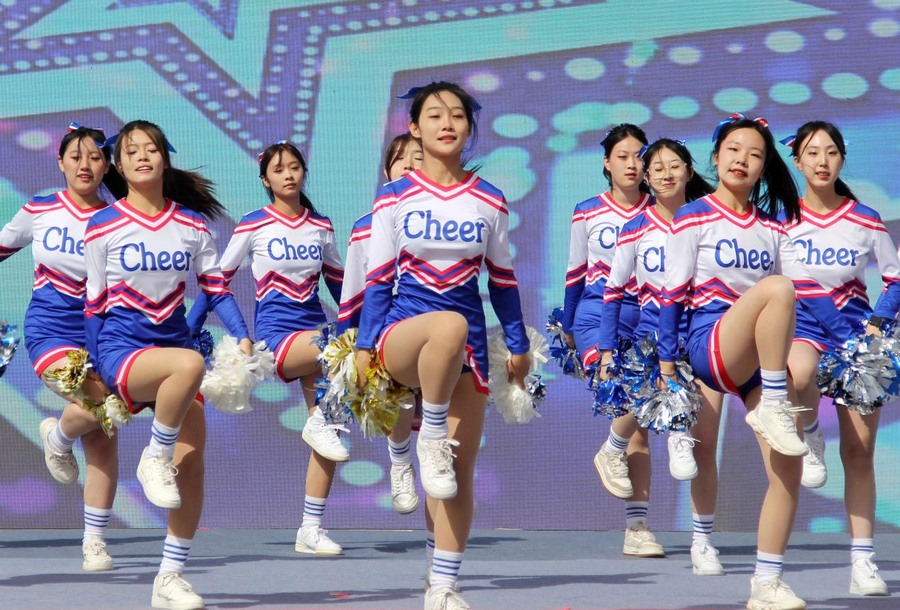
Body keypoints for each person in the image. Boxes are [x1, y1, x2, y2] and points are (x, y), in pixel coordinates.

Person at [657, 114, 855, 610]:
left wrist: (853, 341)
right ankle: (772, 406)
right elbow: (672, 294)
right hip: (710, 346)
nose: (742, 160)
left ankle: (766, 583)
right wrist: (666, 364)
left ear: (765, 167)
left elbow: (814, 292)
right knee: (777, 288)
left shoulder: (773, 228)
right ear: (715, 157)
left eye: (754, 154)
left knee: (787, 467)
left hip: (756, 366)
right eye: (733, 150)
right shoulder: (693, 216)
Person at [354, 81, 530, 610]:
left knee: (455, 472)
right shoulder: (394, 196)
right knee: (447, 325)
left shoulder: (489, 198)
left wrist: (518, 344)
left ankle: (443, 584)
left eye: (457, 114)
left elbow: (502, 280)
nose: (447, 123)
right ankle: (425, 435)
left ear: (470, 128)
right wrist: (364, 346)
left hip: (467, 349)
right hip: (403, 336)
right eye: (434, 115)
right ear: (414, 128)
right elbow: (378, 278)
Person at [84, 119, 253, 610]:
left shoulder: (192, 225)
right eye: (131, 151)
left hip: (173, 355)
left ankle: (170, 577)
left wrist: (242, 335)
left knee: (193, 467)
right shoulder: (103, 225)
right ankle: (151, 455)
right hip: (123, 351)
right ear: (118, 166)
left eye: (151, 149)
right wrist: (95, 368)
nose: (142, 156)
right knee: (188, 364)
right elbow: (94, 305)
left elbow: (216, 289)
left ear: (164, 159)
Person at [188, 140, 348, 556]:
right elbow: (215, 282)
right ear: (265, 180)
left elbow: (340, 287)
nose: (289, 174)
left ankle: (310, 528)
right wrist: (188, 329)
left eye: (295, 167)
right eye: (279, 169)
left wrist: (368, 323)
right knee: (338, 352)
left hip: (316, 336)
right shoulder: (254, 223)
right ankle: (319, 421)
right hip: (277, 337)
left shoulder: (321, 225)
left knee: (329, 427)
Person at [596, 139, 726, 574]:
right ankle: (634, 517)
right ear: (647, 177)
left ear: (689, 171)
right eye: (657, 168)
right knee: (641, 422)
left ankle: (702, 541)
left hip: (702, 337)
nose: (667, 174)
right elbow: (613, 291)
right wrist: (607, 349)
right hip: (650, 340)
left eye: (675, 166)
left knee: (704, 444)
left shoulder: (710, 220)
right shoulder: (636, 227)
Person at [1, 123, 125, 571]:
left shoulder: (120, 218)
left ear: (107, 165)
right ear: (60, 162)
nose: (85, 165)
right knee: (101, 406)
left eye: (95, 157)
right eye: (76, 157)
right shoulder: (40, 208)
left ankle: (95, 541)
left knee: (105, 432)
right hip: (50, 332)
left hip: (104, 336)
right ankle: (58, 437)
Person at [782, 121, 899, 596]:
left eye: (831, 152)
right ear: (798, 161)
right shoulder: (781, 219)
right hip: (803, 328)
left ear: (842, 159)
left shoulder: (865, 219)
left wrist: (877, 323)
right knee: (799, 374)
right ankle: (810, 433)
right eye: (812, 153)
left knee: (859, 452)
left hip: (854, 339)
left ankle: (863, 561)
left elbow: (895, 277)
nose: (822, 161)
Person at [562, 123, 662, 556]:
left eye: (640, 155)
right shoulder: (588, 211)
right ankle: (612, 449)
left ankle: (637, 528)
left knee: (641, 417)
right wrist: (568, 328)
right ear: (607, 162)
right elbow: (574, 274)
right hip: (595, 316)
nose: (632, 164)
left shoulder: (664, 212)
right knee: (625, 400)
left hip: (645, 319)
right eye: (622, 156)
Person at [337, 133, 424, 516]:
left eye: (418, 157)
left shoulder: (447, 216)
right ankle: (400, 461)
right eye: (400, 158)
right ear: (386, 170)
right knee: (398, 388)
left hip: (441, 327)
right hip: (390, 331)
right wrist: (352, 342)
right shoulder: (365, 227)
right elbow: (355, 290)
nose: (409, 164)